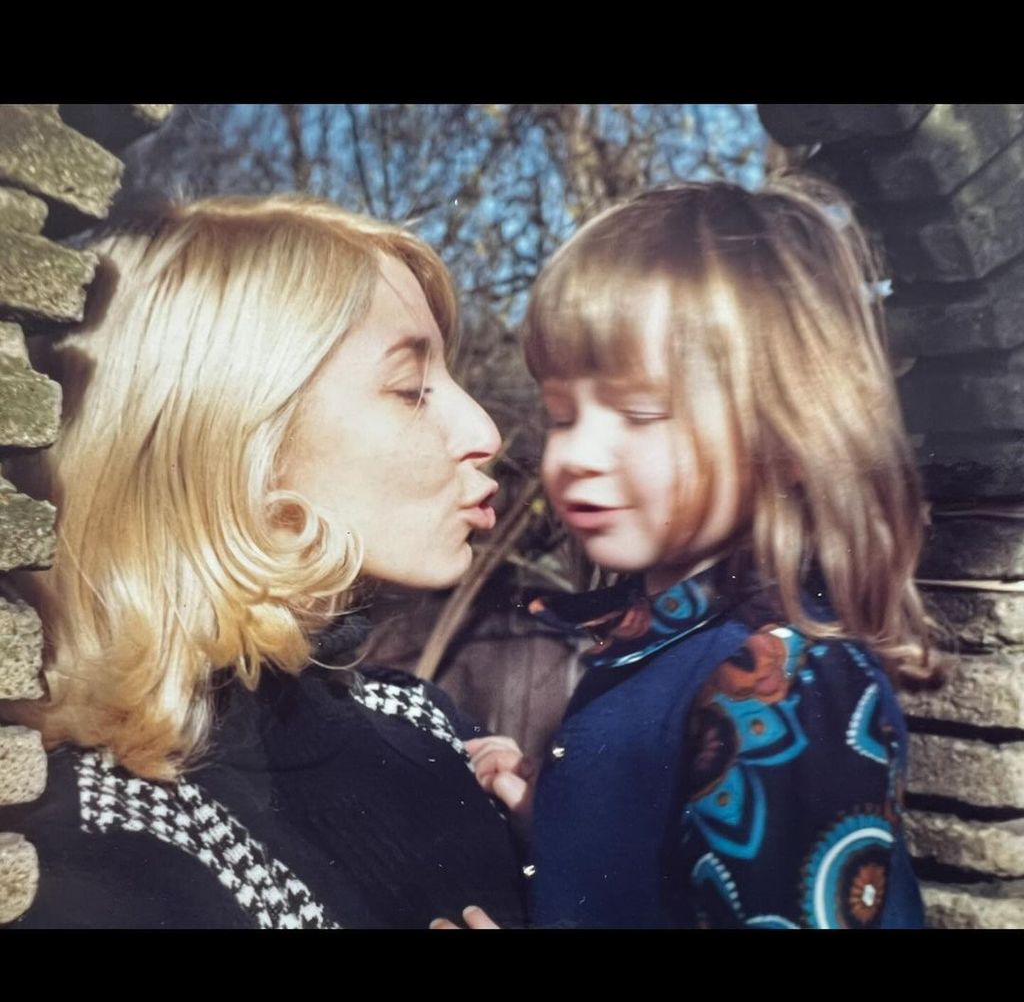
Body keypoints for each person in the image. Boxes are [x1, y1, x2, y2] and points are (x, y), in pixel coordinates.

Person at [0, 195, 527, 929]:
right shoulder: (100, 865)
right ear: (228, 438)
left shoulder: (435, 730)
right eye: (411, 389)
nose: (484, 429)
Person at [464, 177, 935, 929]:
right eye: (560, 415)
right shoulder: (659, 644)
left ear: (785, 438)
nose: (577, 453)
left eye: (639, 412)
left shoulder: (780, 683)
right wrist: (555, 825)